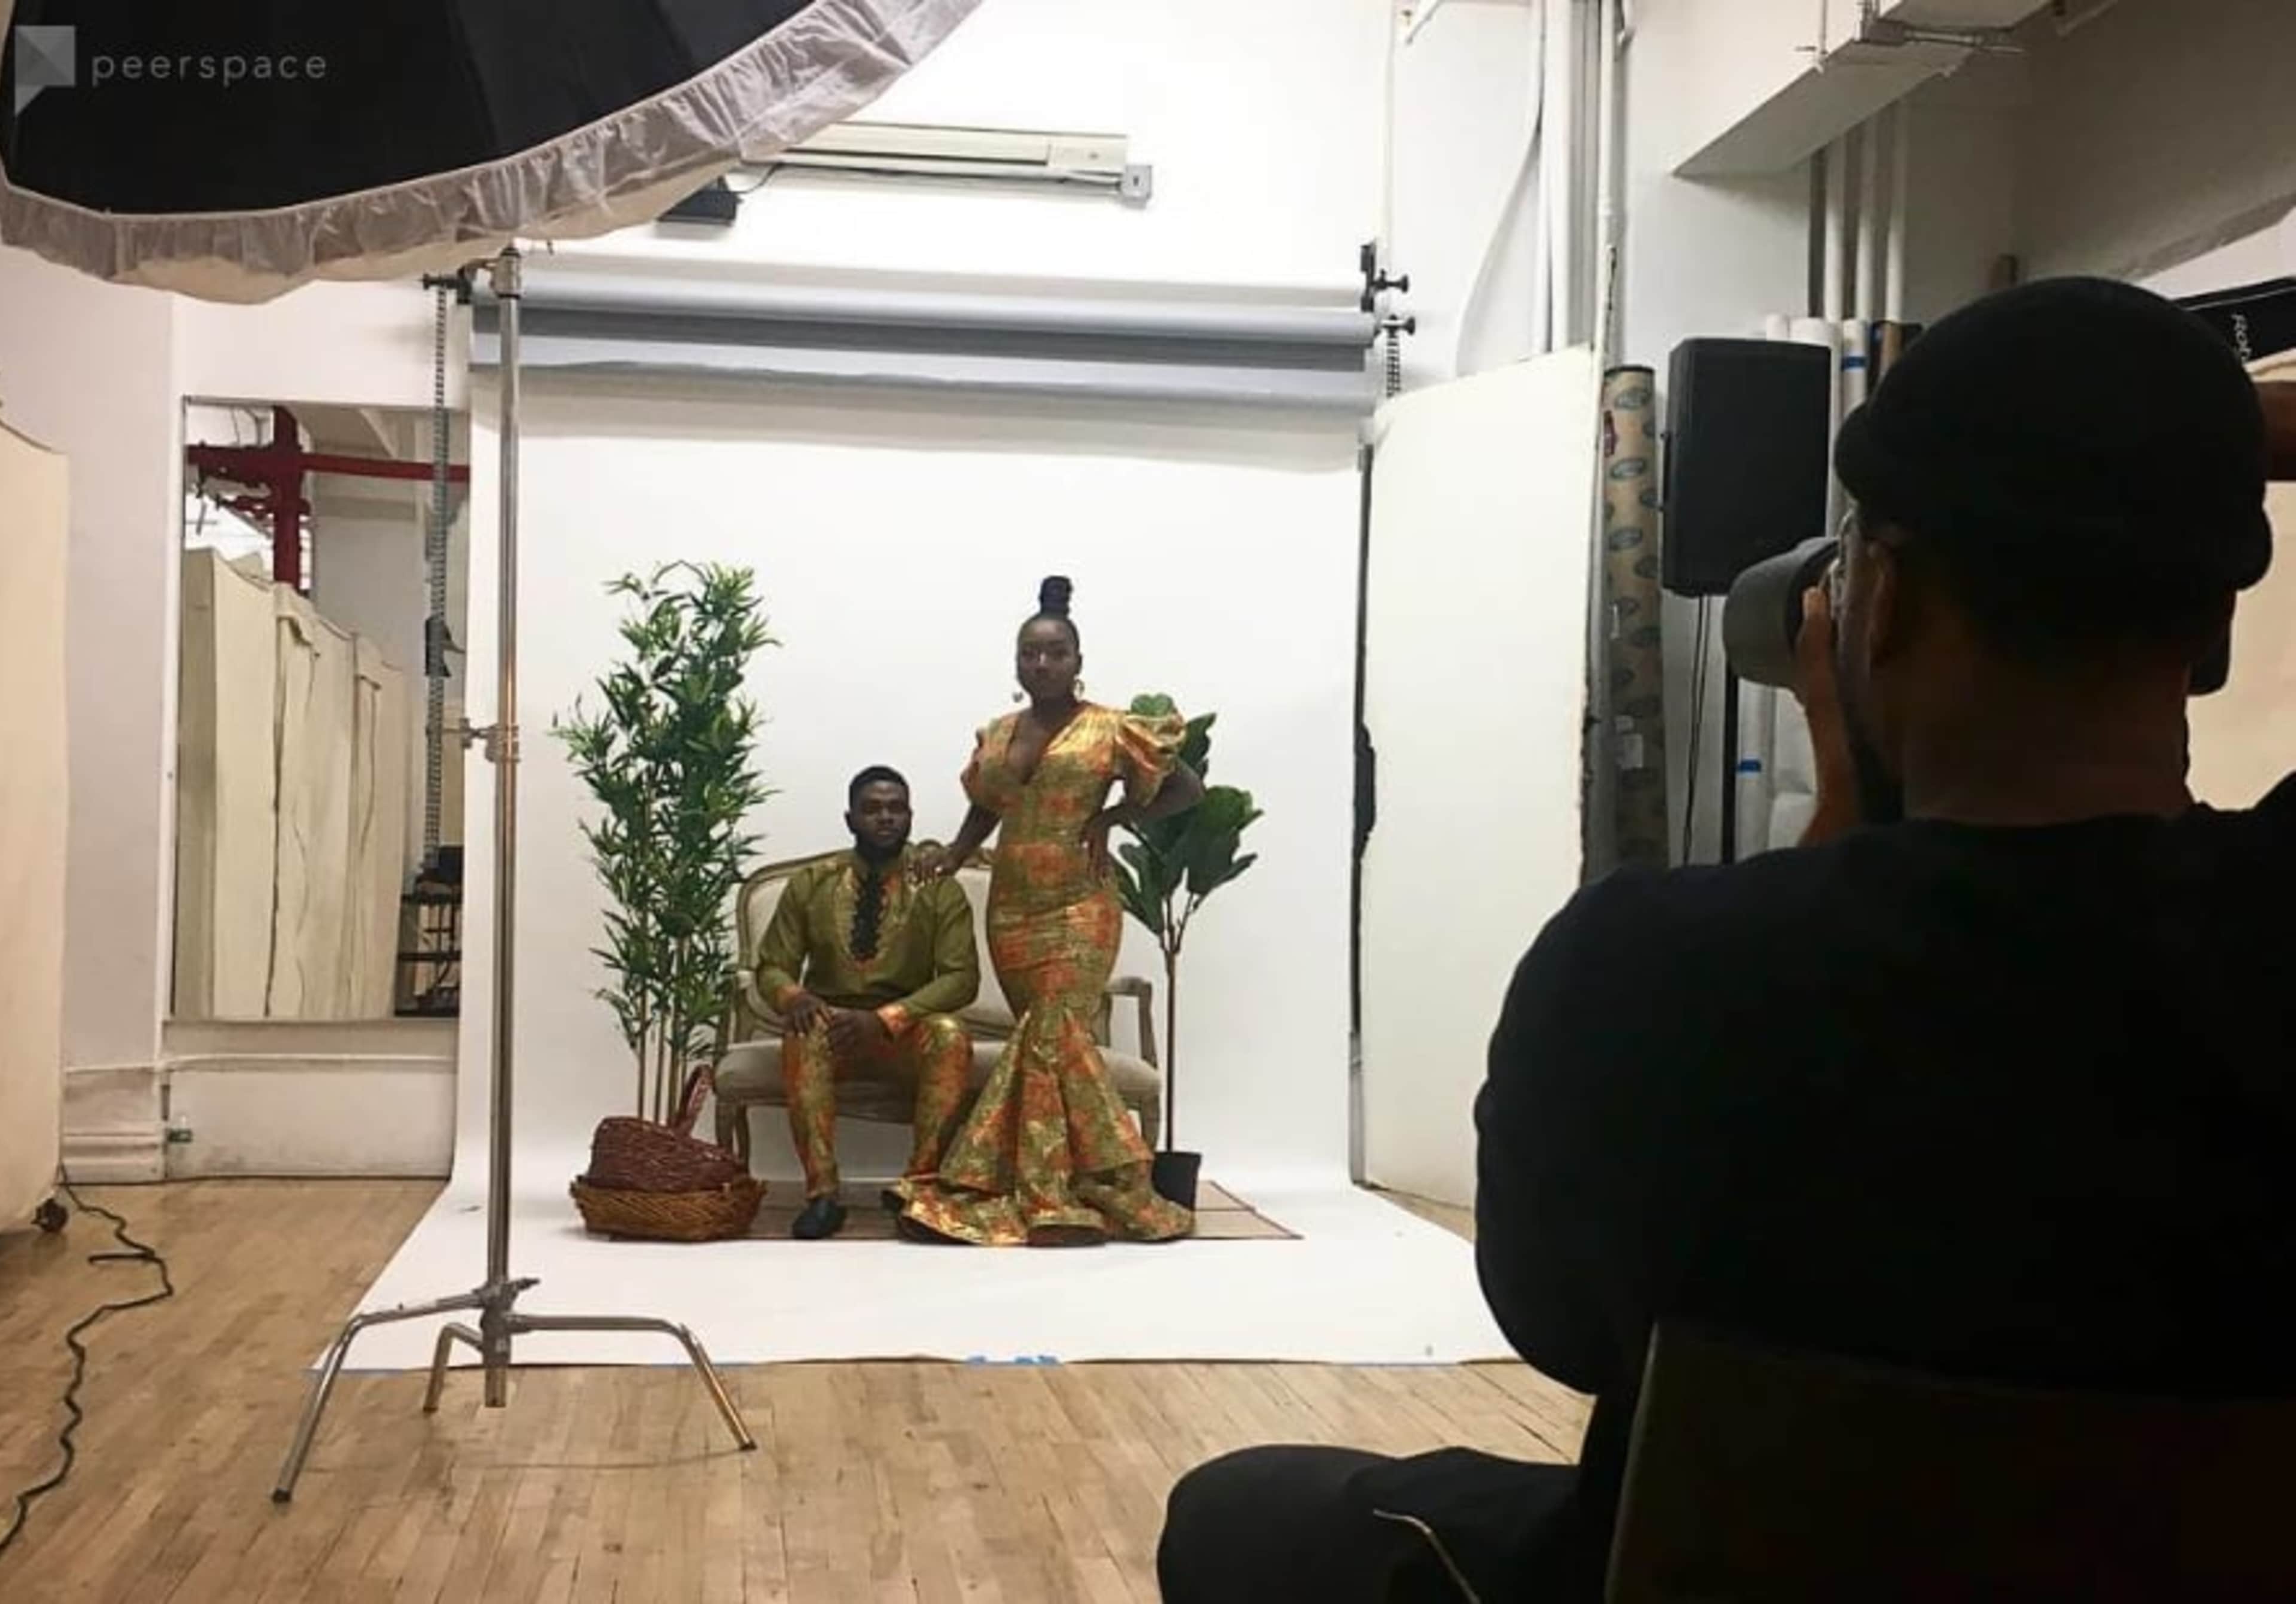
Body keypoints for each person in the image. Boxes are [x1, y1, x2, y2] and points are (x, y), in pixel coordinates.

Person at [1158, 277, 2296, 1600]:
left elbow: (1565, 1328)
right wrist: (2205, 443)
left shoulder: (1653, 973)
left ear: (1887, 608)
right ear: (2215, 632)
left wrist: (1849, 796)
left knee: (1232, 1511)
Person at [899, 576, 1205, 1247]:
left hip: (1080, 902)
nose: (1042, 664)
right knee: (1048, 1039)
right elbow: (989, 803)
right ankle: (1071, 1187)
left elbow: (1187, 788)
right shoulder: (1000, 732)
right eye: (1030, 654)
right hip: (1013, 906)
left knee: (1053, 1025)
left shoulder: (1112, 727)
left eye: (1055, 653)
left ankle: (1036, 1193)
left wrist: (1120, 813)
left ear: (1077, 661)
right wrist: (956, 851)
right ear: (1017, 663)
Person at [751, 766, 980, 1240]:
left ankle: (918, 1189)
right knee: (805, 1029)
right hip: (831, 1024)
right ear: (850, 819)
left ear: (910, 817)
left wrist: (887, 1018)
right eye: (872, 809)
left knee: (951, 1036)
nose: (885, 819)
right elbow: (772, 964)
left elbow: (961, 979)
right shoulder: (812, 882)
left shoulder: (938, 887)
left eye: (896, 809)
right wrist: (793, 995)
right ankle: (822, 1195)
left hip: (904, 1029)